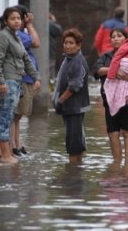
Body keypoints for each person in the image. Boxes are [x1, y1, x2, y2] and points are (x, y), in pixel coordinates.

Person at [0, 6, 41, 164]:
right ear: (6, 21)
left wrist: (36, 77)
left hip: (16, 81)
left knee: (9, 116)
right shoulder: (3, 37)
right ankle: (4, 155)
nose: (17, 21)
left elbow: (25, 59)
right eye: (13, 18)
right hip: (8, 82)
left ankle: (8, 152)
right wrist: (0, 82)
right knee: (5, 118)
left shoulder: (17, 37)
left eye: (18, 18)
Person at [93, 29, 128, 165]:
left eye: (119, 36)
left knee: (127, 132)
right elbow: (96, 70)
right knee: (113, 133)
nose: (115, 39)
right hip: (109, 99)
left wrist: (126, 76)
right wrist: (113, 69)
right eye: (113, 37)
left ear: (127, 39)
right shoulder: (106, 57)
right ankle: (116, 165)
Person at [53, 28, 91, 163]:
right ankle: (75, 171)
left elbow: (75, 86)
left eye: (71, 43)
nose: (68, 46)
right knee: (75, 141)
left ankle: (73, 173)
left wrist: (60, 101)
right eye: (65, 43)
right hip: (70, 108)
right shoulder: (69, 58)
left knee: (74, 143)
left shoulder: (77, 61)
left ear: (78, 45)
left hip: (74, 107)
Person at [12, 4, 39, 156]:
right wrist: (29, 24)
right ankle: (14, 145)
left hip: (28, 77)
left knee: (18, 115)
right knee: (15, 114)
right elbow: (36, 42)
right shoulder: (18, 34)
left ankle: (17, 144)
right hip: (22, 78)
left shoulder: (21, 34)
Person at [48, 12, 63, 77]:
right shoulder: (48, 24)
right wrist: (53, 21)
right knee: (50, 77)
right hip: (49, 54)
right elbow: (59, 31)